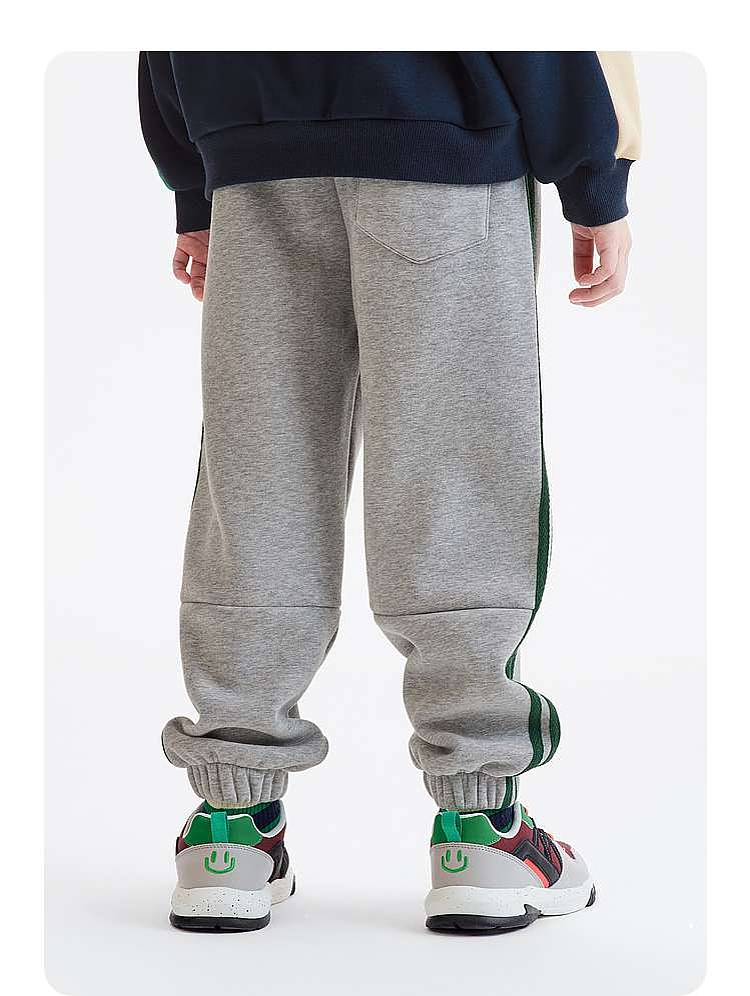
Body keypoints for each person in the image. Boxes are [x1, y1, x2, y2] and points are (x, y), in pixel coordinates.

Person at [139, 51, 640, 934]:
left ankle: (231, 828)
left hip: (251, 150)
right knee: (455, 474)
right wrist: (594, 174)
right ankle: (481, 829)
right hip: (438, 131)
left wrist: (194, 178)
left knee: (259, 479)